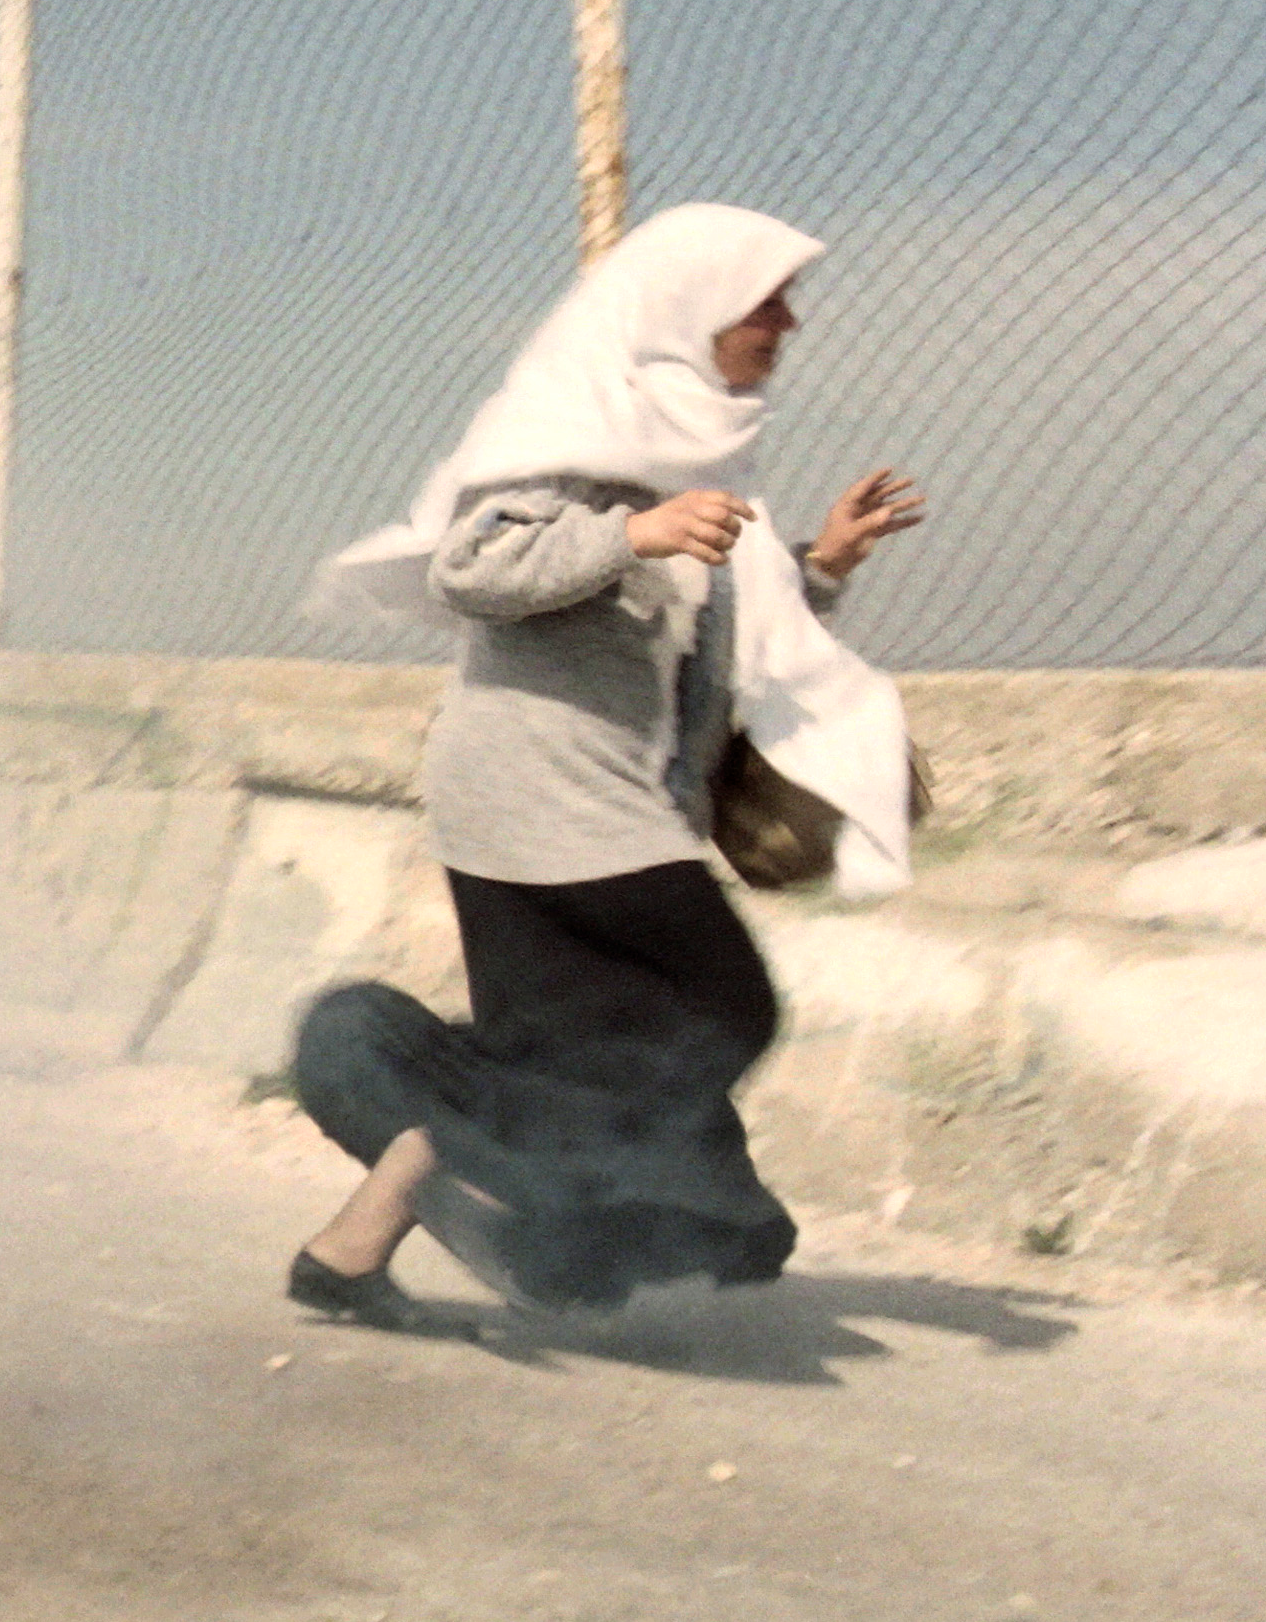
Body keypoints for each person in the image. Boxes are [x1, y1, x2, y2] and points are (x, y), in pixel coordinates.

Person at [283, 205, 926, 1327]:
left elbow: (700, 626)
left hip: (601, 795)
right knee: (719, 1005)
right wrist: (633, 534)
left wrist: (819, 567)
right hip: (542, 790)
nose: (787, 322)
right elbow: (473, 567)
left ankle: (370, 1244)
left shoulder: (689, 448)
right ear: (690, 311)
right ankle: (440, 1148)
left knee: (576, 1054)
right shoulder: (577, 430)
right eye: (765, 300)